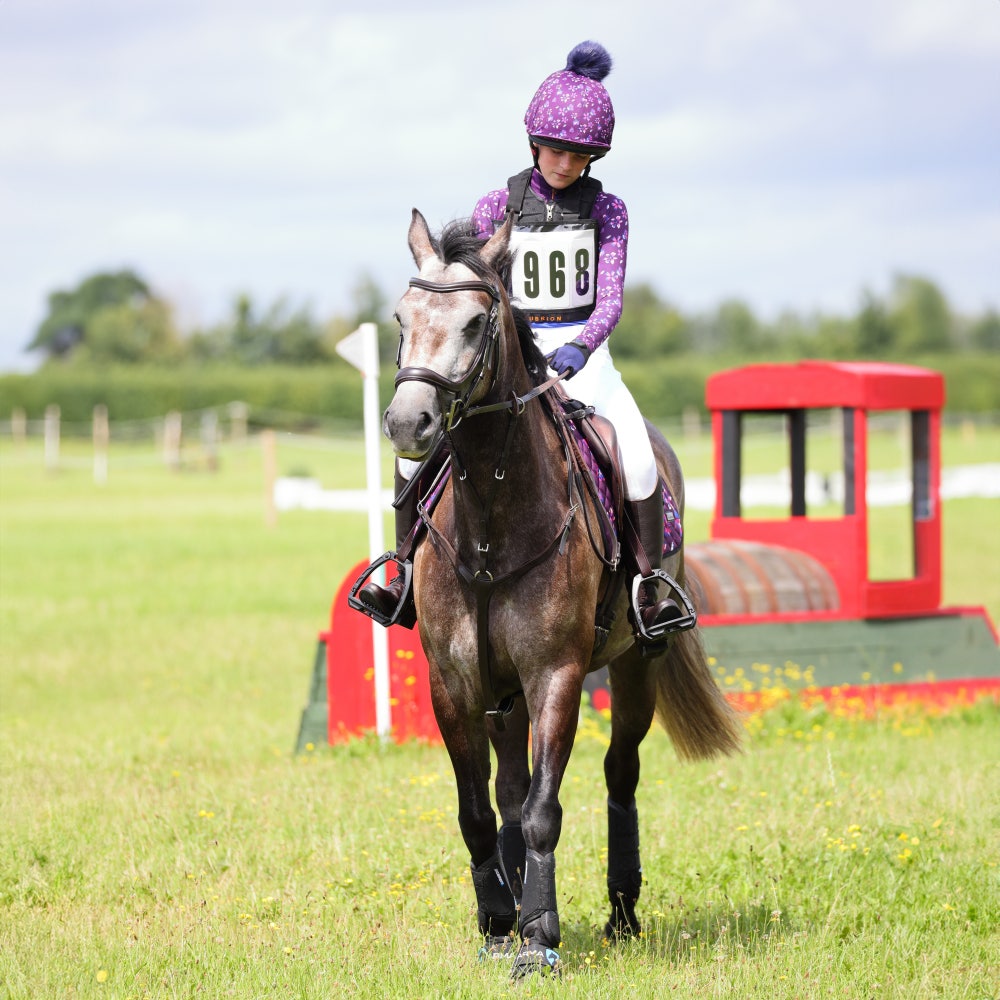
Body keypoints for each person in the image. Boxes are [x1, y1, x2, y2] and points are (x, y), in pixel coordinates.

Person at [359, 40, 677, 645]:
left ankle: (647, 588)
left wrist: (583, 347)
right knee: (414, 451)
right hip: (507, 355)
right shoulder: (493, 207)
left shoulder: (608, 212)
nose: (564, 164)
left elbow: (609, 298)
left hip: (583, 356)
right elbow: (466, 293)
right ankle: (399, 570)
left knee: (634, 454)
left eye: (579, 156)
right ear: (535, 144)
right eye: (556, 150)